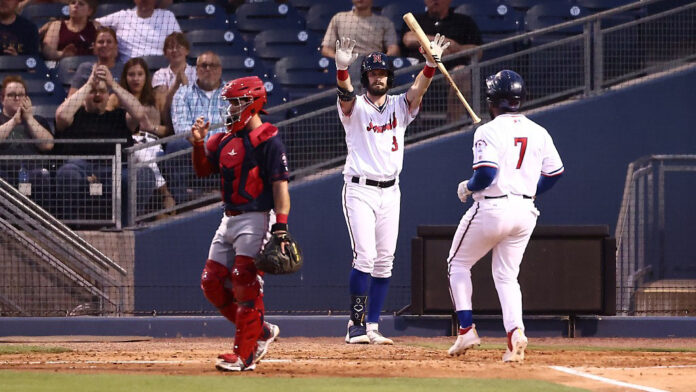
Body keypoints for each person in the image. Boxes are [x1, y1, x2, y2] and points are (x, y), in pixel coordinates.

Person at [335, 35, 449, 344]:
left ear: (389, 76)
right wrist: (341, 71)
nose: (378, 77)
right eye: (372, 73)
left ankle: (372, 326)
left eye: (382, 72)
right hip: (359, 189)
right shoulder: (355, 107)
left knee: (385, 260)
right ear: (366, 77)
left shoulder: (401, 105)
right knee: (365, 257)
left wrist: (429, 65)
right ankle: (354, 326)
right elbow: (345, 96)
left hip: (391, 190)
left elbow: (418, 90)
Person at [446, 70, 564, 362]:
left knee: (457, 263)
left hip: (493, 208)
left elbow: (485, 174)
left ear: (491, 99)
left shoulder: (487, 131)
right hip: (525, 211)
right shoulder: (539, 130)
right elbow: (555, 172)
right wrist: (531, 191)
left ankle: (466, 330)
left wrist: (466, 187)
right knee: (507, 276)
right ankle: (515, 334)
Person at [190, 76, 289, 371]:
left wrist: (281, 226)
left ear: (253, 103)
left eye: (236, 103)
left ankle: (245, 356)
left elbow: (281, 187)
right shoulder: (223, 139)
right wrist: (197, 143)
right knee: (211, 282)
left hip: (257, 217)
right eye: (230, 103)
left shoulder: (268, 139)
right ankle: (260, 331)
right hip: (229, 217)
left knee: (244, 281)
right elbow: (203, 170)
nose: (231, 109)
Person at [54, 64, 157, 222]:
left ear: (109, 96)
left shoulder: (119, 115)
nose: (97, 95)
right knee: (67, 173)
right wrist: (89, 84)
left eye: (102, 92)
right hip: (81, 168)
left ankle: (127, 224)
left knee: (145, 174)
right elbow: (61, 116)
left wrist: (112, 84)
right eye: (92, 92)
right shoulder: (75, 115)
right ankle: (71, 227)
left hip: (115, 170)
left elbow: (139, 113)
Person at [108, 57, 175, 215]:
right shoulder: (116, 98)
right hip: (128, 144)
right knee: (138, 151)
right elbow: (107, 123)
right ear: (125, 77)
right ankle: (165, 195)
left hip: (153, 142)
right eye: (131, 74)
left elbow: (169, 130)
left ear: (146, 76)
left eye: (140, 74)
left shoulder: (157, 96)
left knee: (143, 153)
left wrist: (151, 127)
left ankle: (148, 209)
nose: (136, 78)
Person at [400, 0, 482, 121]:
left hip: (450, 72)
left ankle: (453, 126)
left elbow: (478, 51)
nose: (435, 1)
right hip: (420, 72)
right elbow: (408, 39)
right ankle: (411, 127)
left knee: (462, 72)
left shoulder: (464, 21)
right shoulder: (416, 19)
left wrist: (456, 48)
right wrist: (439, 43)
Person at [0, 75, 53, 203]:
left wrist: (29, 118)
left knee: (42, 175)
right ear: (2, 99)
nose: (17, 98)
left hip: (33, 172)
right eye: (12, 95)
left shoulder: (38, 120)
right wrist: (13, 121)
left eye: (21, 95)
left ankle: (41, 221)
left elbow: (48, 145)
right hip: (4, 173)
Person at [321, 0, 399, 81]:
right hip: (347, 64)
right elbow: (326, 49)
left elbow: (393, 48)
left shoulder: (384, 22)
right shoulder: (339, 18)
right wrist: (343, 60)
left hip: (373, 65)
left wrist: (379, 60)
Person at [96, 0, 180, 63]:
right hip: (130, 70)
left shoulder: (167, 16)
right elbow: (95, 23)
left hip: (160, 68)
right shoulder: (123, 16)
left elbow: (179, 42)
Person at [153, 32, 196, 137]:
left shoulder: (197, 72)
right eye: (171, 47)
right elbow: (162, 106)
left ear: (187, 50)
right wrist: (176, 84)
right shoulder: (160, 74)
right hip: (169, 122)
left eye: (179, 47)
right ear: (165, 53)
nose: (175, 50)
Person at [69, 27, 124, 97]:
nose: (105, 45)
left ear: (116, 46)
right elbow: (71, 97)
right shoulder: (85, 68)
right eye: (101, 42)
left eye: (109, 42)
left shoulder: (123, 69)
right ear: (94, 46)